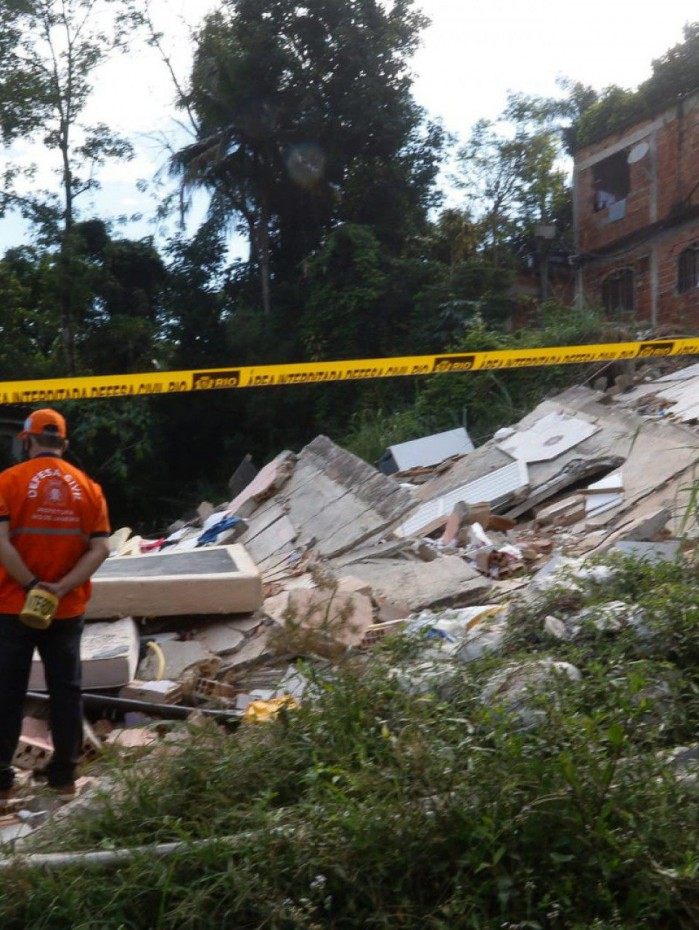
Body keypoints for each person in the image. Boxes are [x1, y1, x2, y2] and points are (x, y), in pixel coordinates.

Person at [0, 409, 110, 801]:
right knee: (66, 691)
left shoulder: (8, 482)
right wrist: (60, 588)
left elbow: (1, 542)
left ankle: (1, 782)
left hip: (13, 606)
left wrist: (33, 586)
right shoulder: (89, 488)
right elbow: (100, 548)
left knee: (6, 692)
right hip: (66, 609)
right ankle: (63, 777)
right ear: (64, 444)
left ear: (26, 440)